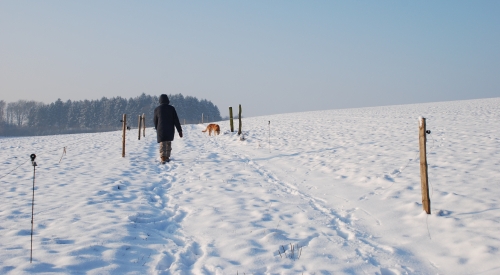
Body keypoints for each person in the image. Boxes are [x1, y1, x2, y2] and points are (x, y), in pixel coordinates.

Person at [154, 94, 183, 163]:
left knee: (162, 143)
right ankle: (167, 156)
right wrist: (180, 130)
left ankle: (163, 157)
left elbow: (155, 120)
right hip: (169, 129)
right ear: (167, 100)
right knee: (168, 143)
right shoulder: (171, 109)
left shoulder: (157, 109)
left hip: (161, 129)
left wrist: (157, 128)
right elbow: (176, 120)